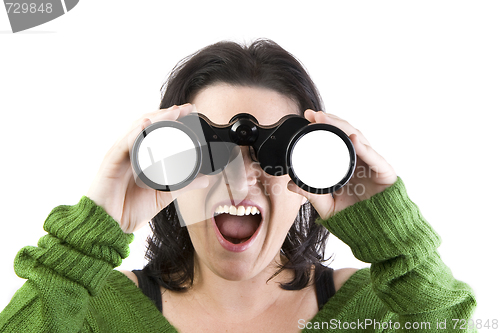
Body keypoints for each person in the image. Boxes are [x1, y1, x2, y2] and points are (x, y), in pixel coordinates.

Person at [0, 39, 476, 332]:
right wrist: (93, 230)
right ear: (170, 166)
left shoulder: (379, 311)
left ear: (308, 174)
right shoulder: (91, 311)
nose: (240, 178)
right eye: (210, 153)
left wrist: (394, 242)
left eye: (274, 156)